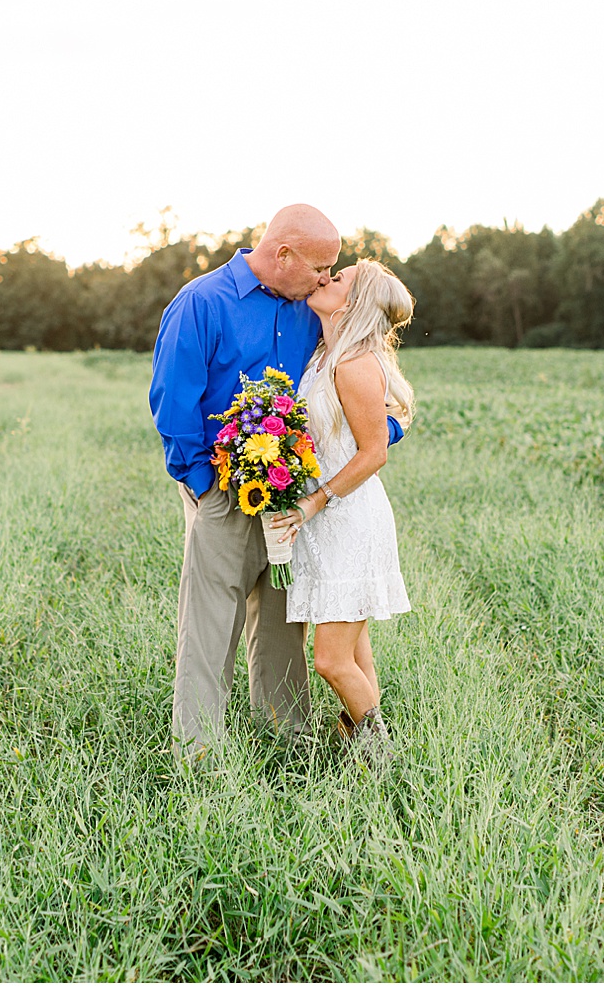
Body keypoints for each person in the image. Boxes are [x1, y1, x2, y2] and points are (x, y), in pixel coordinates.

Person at [149, 205, 404, 763]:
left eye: (332, 271)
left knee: (286, 621)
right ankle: (198, 755)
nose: (324, 278)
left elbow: (368, 391)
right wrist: (203, 482)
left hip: (297, 493)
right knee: (212, 620)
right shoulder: (202, 303)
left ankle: (290, 740)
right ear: (282, 254)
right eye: (319, 266)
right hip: (221, 486)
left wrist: (376, 439)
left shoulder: (314, 310)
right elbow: (173, 402)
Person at [268, 259, 416, 754]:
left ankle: (380, 750)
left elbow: (373, 453)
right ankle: (364, 755)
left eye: (341, 278)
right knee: (356, 651)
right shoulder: (322, 356)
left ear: (352, 304)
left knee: (331, 661)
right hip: (327, 521)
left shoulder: (353, 364)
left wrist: (314, 501)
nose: (328, 278)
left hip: (348, 520)